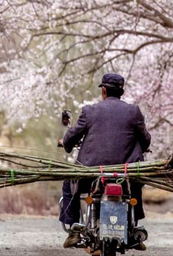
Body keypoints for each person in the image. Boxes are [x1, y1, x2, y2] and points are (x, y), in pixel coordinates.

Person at [59, 73, 151, 250]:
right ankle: (134, 228)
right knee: (136, 185)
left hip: (92, 170)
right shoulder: (134, 111)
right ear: (122, 91)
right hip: (126, 171)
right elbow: (146, 140)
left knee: (68, 183)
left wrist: (66, 143)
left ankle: (74, 230)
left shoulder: (89, 111)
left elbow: (72, 136)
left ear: (103, 90)